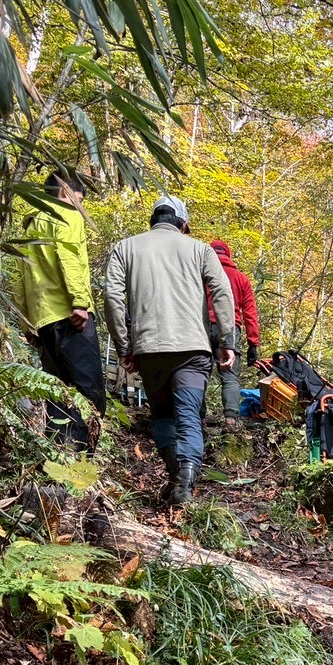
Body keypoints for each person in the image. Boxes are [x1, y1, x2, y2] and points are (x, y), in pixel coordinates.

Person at [103, 196, 236, 505]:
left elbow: (112, 296)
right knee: (188, 416)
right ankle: (185, 484)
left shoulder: (126, 248)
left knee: (162, 415)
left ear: (153, 220)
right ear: (183, 224)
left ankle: (177, 476)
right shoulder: (200, 249)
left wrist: (123, 345)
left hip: (150, 349)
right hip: (193, 348)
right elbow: (222, 291)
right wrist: (226, 340)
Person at [13, 169, 106, 452]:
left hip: (42, 320)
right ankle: (80, 457)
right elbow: (68, 256)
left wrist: (26, 323)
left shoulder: (30, 226)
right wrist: (80, 302)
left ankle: (58, 454)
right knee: (88, 391)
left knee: (57, 391)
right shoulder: (66, 214)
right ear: (66, 193)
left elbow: (19, 278)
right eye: (80, 200)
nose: (82, 207)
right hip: (69, 315)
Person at [206, 239, 260, 429]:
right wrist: (253, 344)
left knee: (199, 373)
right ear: (228, 255)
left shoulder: (202, 274)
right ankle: (231, 419)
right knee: (229, 376)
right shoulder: (240, 278)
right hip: (229, 329)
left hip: (201, 327)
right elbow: (250, 313)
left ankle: (197, 418)